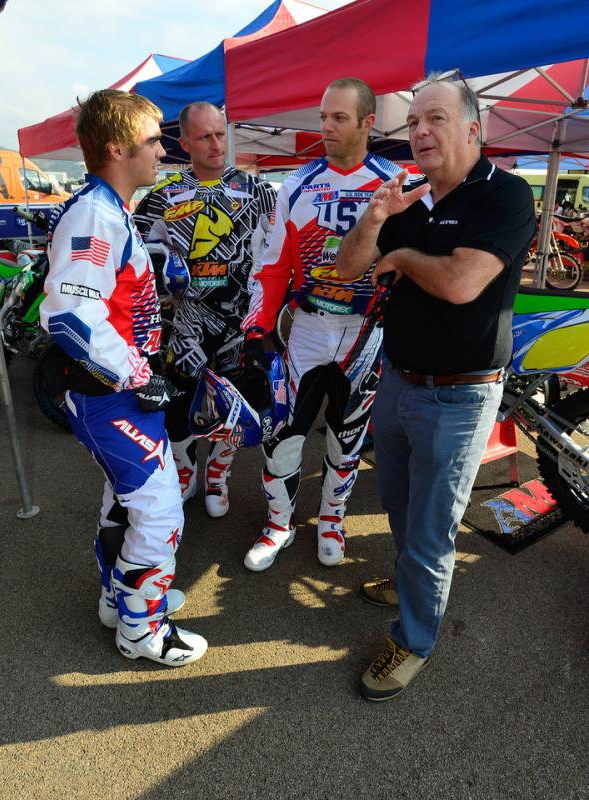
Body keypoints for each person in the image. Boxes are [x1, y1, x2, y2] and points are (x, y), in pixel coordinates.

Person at [336, 75, 536, 700]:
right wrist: (375, 219)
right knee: (395, 501)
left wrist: (400, 260)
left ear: (474, 129)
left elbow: (460, 283)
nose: (421, 131)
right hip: (398, 381)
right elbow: (347, 267)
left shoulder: (503, 196)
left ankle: (415, 639)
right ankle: (409, 580)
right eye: (414, 122)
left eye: (437, 119)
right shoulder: (407, 200)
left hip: (462, 392)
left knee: (429, 527)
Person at [40, 89, 207, 667]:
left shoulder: (111, 209)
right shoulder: (93, 212)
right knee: (160, 510)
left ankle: (121, 599)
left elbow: (103, 296)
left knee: (126, 499)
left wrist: (158, 268)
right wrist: (137, 374)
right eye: (154, 139)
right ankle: (142, 629)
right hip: (108, 395)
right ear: (116, 147)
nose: (164, 149)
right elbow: (67, 314)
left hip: (121, 392)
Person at [240, 77, 402, 572]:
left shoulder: (396, 183)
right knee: (282, 434)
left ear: (367, 123)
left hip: (364, 333)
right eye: (322, 117)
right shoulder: (296, 185)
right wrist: (258, 327)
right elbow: (272, 266)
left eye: (338, 118)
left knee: (347, 435)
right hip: (307, 329)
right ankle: (279, 525)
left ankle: (332, 520)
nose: (325, 127)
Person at [134, 102, 276, 518]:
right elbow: (134, 255)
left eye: (220, 134)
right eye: (204, 137)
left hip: (239, 324)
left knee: (232, 406)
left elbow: (279, 253)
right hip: (186, 326)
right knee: (178, 407)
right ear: (185, 143)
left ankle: (218, 474)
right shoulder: (163, 196)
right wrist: (162, 273)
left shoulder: (258, 191)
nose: (216, 144)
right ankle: (184, 470)